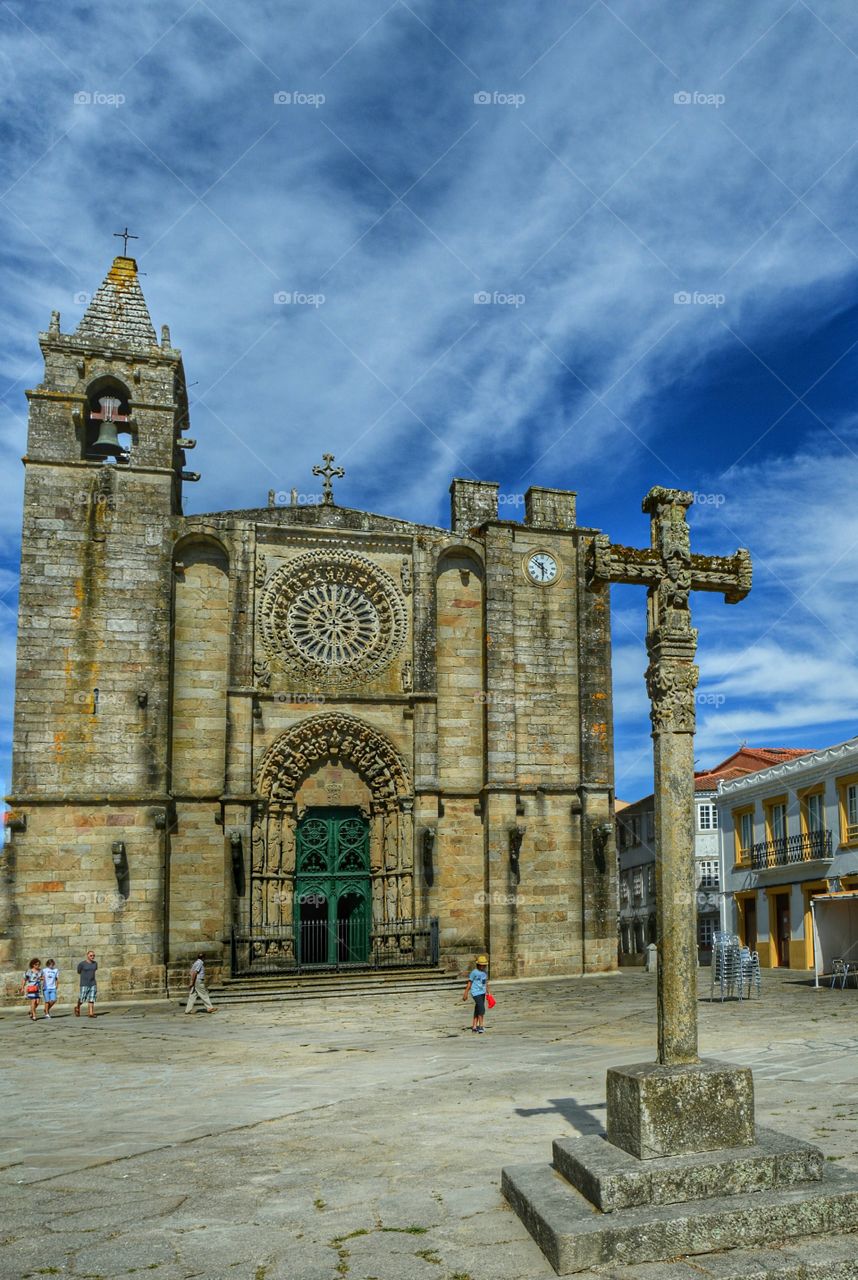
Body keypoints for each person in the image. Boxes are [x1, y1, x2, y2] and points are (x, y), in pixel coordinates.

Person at [462, 953, 490, 1034]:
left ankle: (474, 1026)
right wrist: (466, 993)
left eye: (484, 965)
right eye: (481, 965)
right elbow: (469, 983)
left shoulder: (485, 972)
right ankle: (480, 1026)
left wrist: (488, 992)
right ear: (478, 964)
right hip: (475, 993)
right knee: (481, 1008)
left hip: (482, 992)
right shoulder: (474, 972)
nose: (482, 966)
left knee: (477, 1008)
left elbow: (486, 982)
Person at [74, 950, 98, 1018]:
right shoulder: (82, 964)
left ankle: (91, 1013)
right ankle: (77, 1007)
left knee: (92, 998)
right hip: (84, 983)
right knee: (82, 998)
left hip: (93, 983)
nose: (92, 957)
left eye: (93, 955)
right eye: (91, 955)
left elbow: (94, 971)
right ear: (87, 956)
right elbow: (79, 971)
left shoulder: (95, 963)